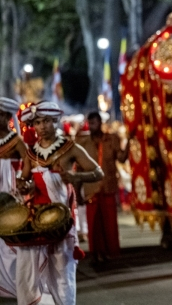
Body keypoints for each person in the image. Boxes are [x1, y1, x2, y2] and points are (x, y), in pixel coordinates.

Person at [17, 101, 103, 305]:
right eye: (37, 122)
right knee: (34, 273)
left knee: (62, 271)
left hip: (62, 220)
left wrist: (75, 178)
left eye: (46, 121)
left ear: (54, 121)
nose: (42, 126)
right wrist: (24, 186)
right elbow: (25, 181)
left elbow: (98, 172)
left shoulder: (70, 148)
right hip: (36, 221)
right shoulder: (30, 154)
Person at [76, 111, 129, 263]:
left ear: (100, 123)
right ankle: (95, 253)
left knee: (110, 223)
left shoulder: (111, 139)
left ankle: (111, 253)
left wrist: (130, 143)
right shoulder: (83, 143)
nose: (93, 126)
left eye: (95, 123)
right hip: (91, 188)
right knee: (93, 224)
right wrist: (77, 192)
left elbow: (121, 158)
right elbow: (78, 170)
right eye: (90, 123)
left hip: (108, 187)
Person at [0, 97, 30, 299]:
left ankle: (14, 284)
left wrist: (21, 179)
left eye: (2, 115)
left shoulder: (16, 141)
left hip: (10, 191)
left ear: (8, 117)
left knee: (10, 234)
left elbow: (27, 162)